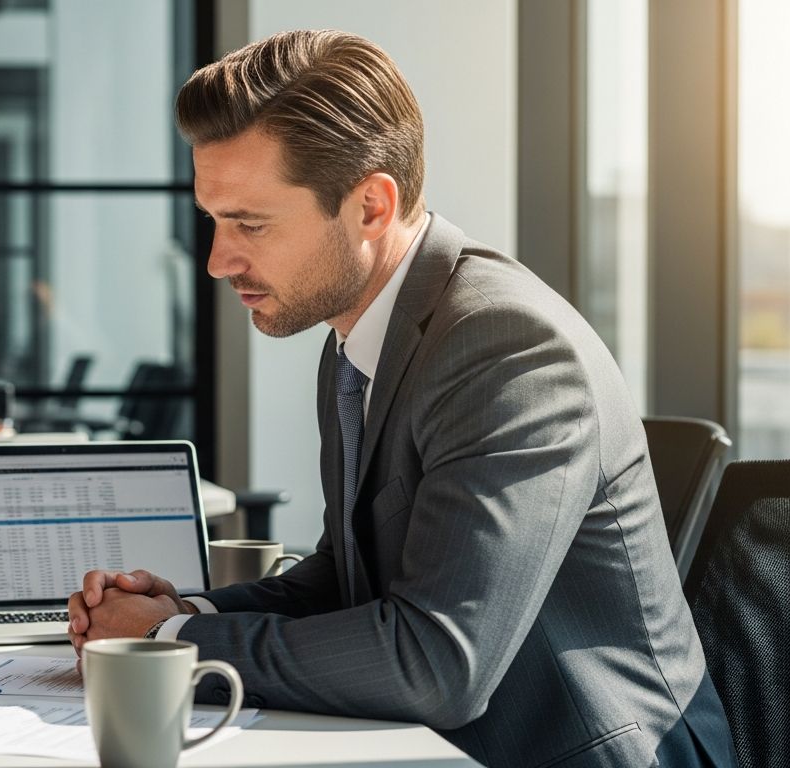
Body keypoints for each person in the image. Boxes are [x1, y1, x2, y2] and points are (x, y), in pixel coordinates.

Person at [67, 30, 735, 767]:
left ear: (371, 206)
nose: (219, 260)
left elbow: (437, 662)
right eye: (214, 221)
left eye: (249, 223)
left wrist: (169, 644)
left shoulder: (507, 349)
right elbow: (348, 576)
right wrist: (185, 610)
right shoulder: (356, 339)